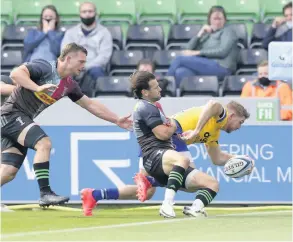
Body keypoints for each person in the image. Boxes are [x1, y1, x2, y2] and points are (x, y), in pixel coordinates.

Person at [80, 72, 253, 218]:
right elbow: (213, 104)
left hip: (164, 145)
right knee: (191, 177)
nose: (239, 127)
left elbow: (217, 158)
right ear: (231, 116)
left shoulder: (214, 133)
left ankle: (95, 194)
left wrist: (239, 159)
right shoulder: (219, 116)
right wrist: (195, 130)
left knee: (148, 193)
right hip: (166, 142)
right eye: (240, 122)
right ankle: (168, 200)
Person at [0, 43, 132, 208]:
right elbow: (16, 73)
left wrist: (116, 119)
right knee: (44, 143)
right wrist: (38, 88)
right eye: (81, 62)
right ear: (68, 58)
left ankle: (44, 194)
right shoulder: (45, 67)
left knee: (8, 171)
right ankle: (45, 193)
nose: (84, 66)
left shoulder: (69, 85)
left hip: (17, 119)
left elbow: (90, 105)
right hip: (11, 115)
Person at [167, 6, 238, 87]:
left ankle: (162, 86)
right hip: (205, 66)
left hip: (222, 67)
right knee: (180, 72)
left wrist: (197, 52)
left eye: (220, 19)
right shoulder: (207, 34)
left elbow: (222, 51)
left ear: (225, 20)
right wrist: (200, 34)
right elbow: (187, 49)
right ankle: (179, 97)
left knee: (179, 59)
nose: (217, 22)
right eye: (215, 19)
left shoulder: (228, 31)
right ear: (209, 20)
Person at [61, 2, 113, 96]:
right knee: (63, 73)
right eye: (84, 12)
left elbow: (104, 56)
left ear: (95, 13)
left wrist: (86, 66)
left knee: (98, 74)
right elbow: (65, 52)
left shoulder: (104, 33)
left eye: (90, 11)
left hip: (95, 67)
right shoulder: (71, 33)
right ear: (80, 14)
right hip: (74, 67)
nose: (87, 14)